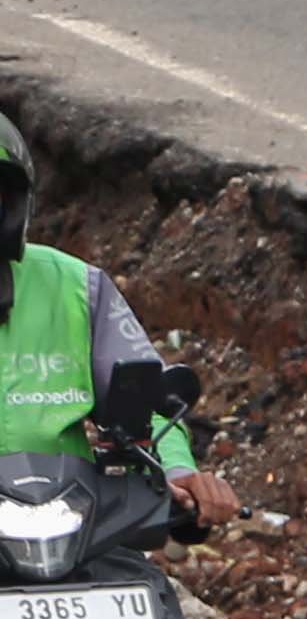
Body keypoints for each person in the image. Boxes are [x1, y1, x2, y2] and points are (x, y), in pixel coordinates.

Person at [0, 114, 223, 522]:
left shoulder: (76, 287)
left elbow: (148, 399)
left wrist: (175, 470)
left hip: (68, 534)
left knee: (150, 586)